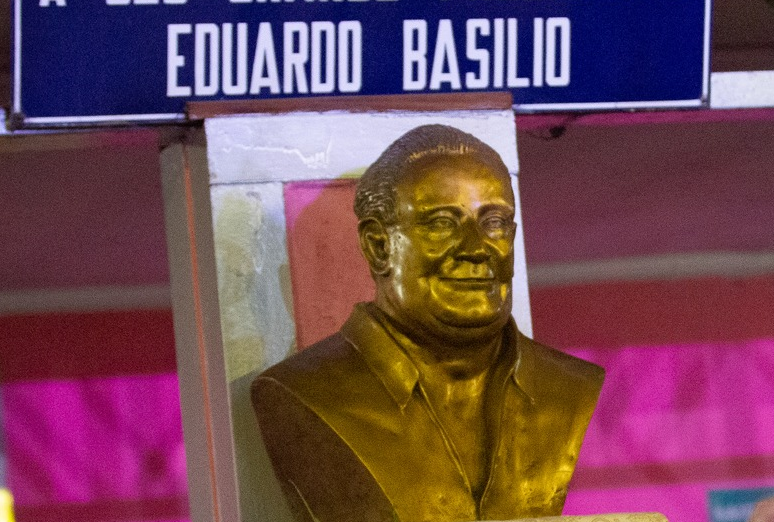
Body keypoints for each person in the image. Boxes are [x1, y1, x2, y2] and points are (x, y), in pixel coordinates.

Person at [251, 124, 604, 522]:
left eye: (493, 223)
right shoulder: (304, 392)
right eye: (441, 223)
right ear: (378, 246)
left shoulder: (571, 388)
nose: (475, 249)